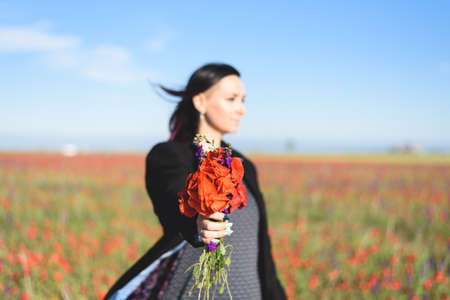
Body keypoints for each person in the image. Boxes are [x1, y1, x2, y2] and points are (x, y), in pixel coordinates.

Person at [104, 63, 286, 300]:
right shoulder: (169, 156)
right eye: (231, 99)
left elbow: (262, 251)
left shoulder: (244, 166)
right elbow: (173, 197)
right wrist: (199, 221)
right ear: (200, 102)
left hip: (249, 291)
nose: (241, 109)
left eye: (243, 100)